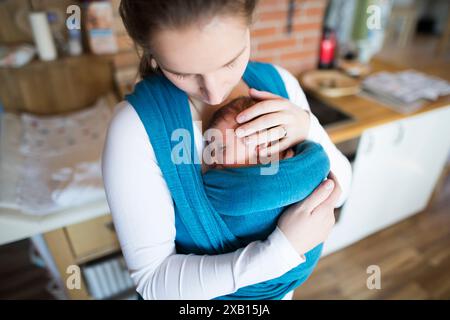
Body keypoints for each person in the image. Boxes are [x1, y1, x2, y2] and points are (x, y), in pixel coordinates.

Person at [102, 0, 352, 300]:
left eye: (230, 61)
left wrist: (309, 127)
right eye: (183, 73)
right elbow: (154, 283)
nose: (215, 91)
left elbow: (342, 188)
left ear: (250, 25)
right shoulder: (134, 130)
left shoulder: (280, 84)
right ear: (152, 55)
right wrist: (281, 251)